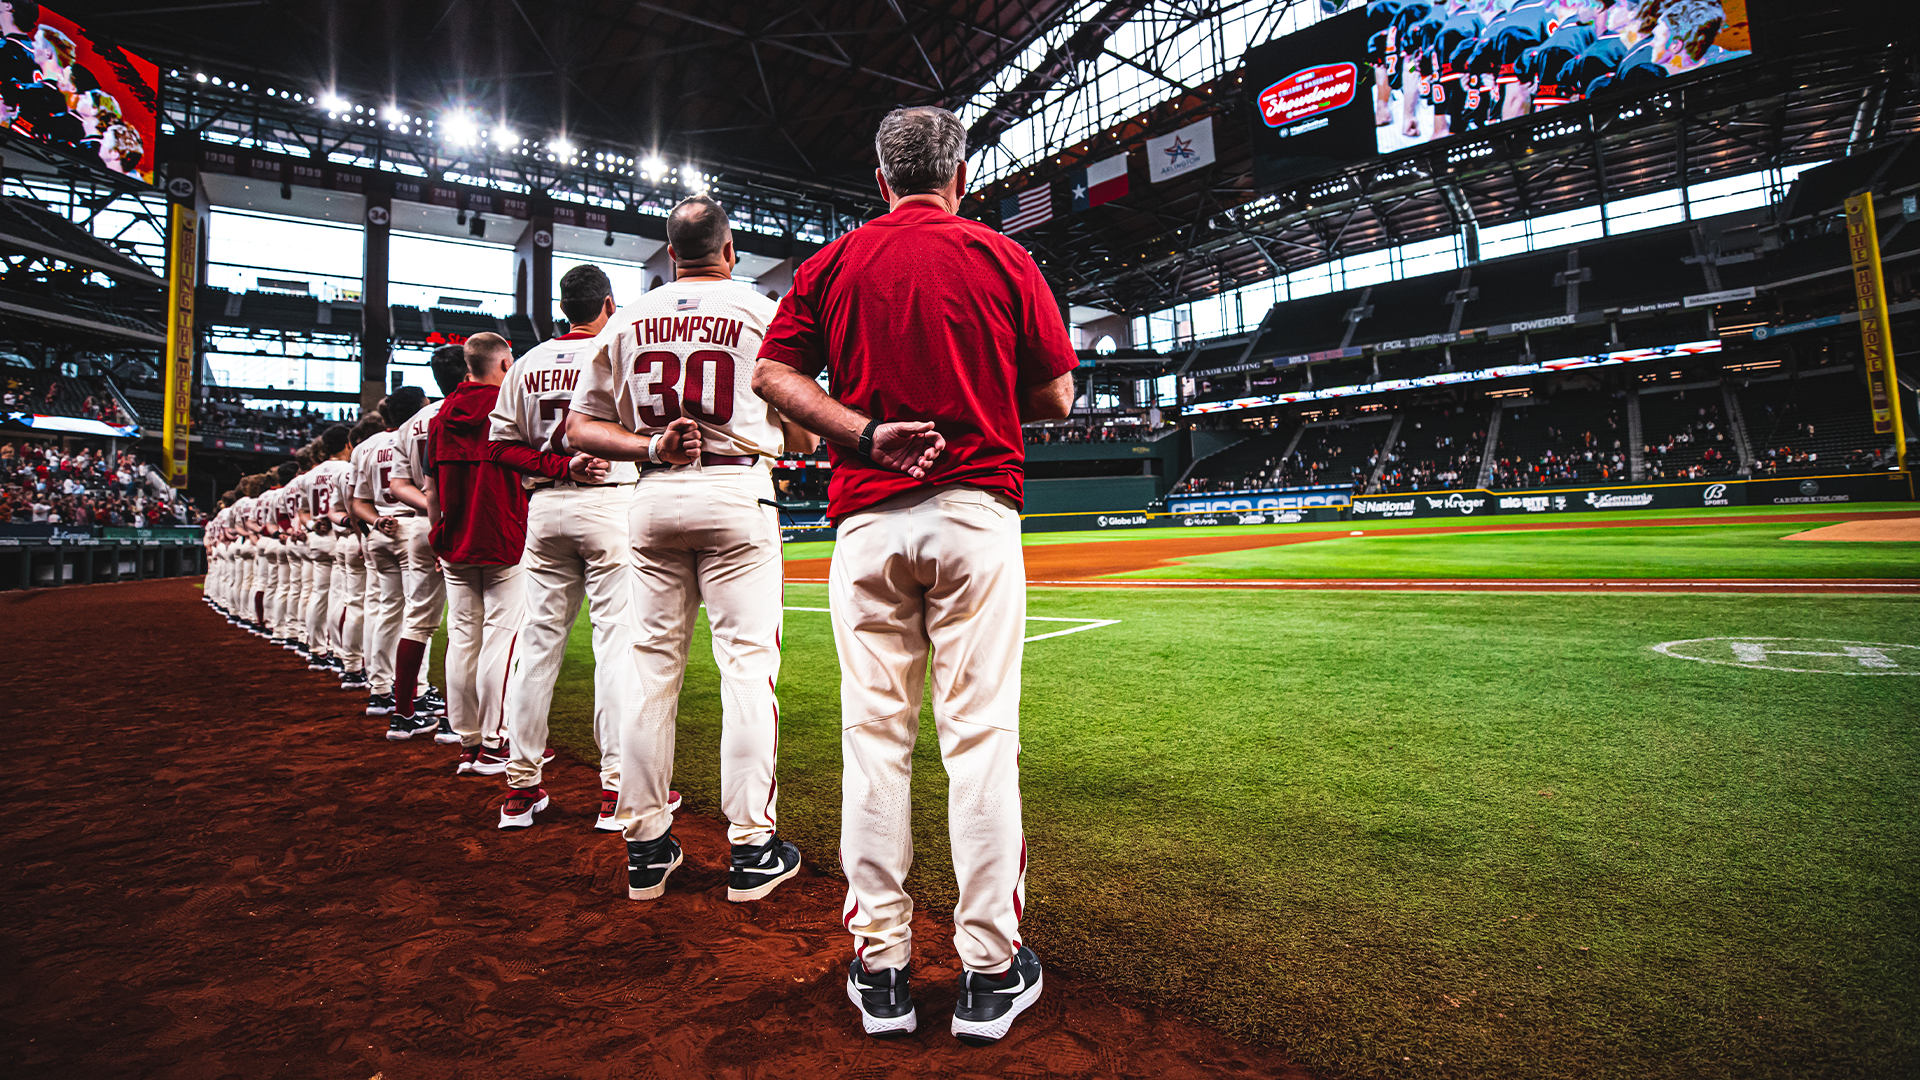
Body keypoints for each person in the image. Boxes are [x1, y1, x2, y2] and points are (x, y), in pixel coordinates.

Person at [752, 105, 1076, 1044]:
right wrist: (976, 387)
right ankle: (988, 969)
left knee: (874, 741)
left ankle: (882, 967)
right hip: (976, 511)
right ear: (961, 175)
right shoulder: (1004, 257)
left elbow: (774, 375)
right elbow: (1056, 392)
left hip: (865, 517)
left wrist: (859, 429)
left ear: (883, 179)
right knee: (978, 741)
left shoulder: (834, 262)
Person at [568, 196, 815, 897]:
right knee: (745, 673)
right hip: (738, 491)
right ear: (730, 249)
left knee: (649, 672)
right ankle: (751, 849)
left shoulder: (629, 320)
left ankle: (645, 845)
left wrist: (647, 443)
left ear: (669, 254)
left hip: (652, 494)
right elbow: (802, 426)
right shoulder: (761, 309)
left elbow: (579, 431)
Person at [485, 265, 643, 829]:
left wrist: (557, 463)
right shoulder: (622, 351)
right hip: (610, 503)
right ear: (608, 302)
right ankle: (616, 790)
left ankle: (521, 785)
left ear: (562, 305)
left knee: (536, 648)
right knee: (616, 647)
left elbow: (500, 448)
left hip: (546, 509)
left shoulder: (524, 364)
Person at [430, 333, 602, 775]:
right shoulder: (510, 400)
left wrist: (438, 532)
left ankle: (466, 739)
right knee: (503, 638)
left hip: (454, 533)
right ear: (505, 363)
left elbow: (431, 485)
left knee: (463, 636)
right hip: (503, 528)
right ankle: (494, 741)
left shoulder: (440, 413)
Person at [383, 349, 466, 739]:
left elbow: (397, 485)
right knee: (467, 624)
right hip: (468, 521)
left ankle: (402, 714)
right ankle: (454, 719)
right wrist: (446, 513)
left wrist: (431, 508)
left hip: (418, 525)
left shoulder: (410, 424)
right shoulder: (475, 407)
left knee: (417, 618)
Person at [351, 389, 426, 718]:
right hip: (412, 525)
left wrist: (376, 523)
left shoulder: (364, 447)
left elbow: (357, 503)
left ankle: (380, 688)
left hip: (377, 531)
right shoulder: (419, 431)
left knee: (384, 611)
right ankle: (417, 691)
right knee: (417, 616)